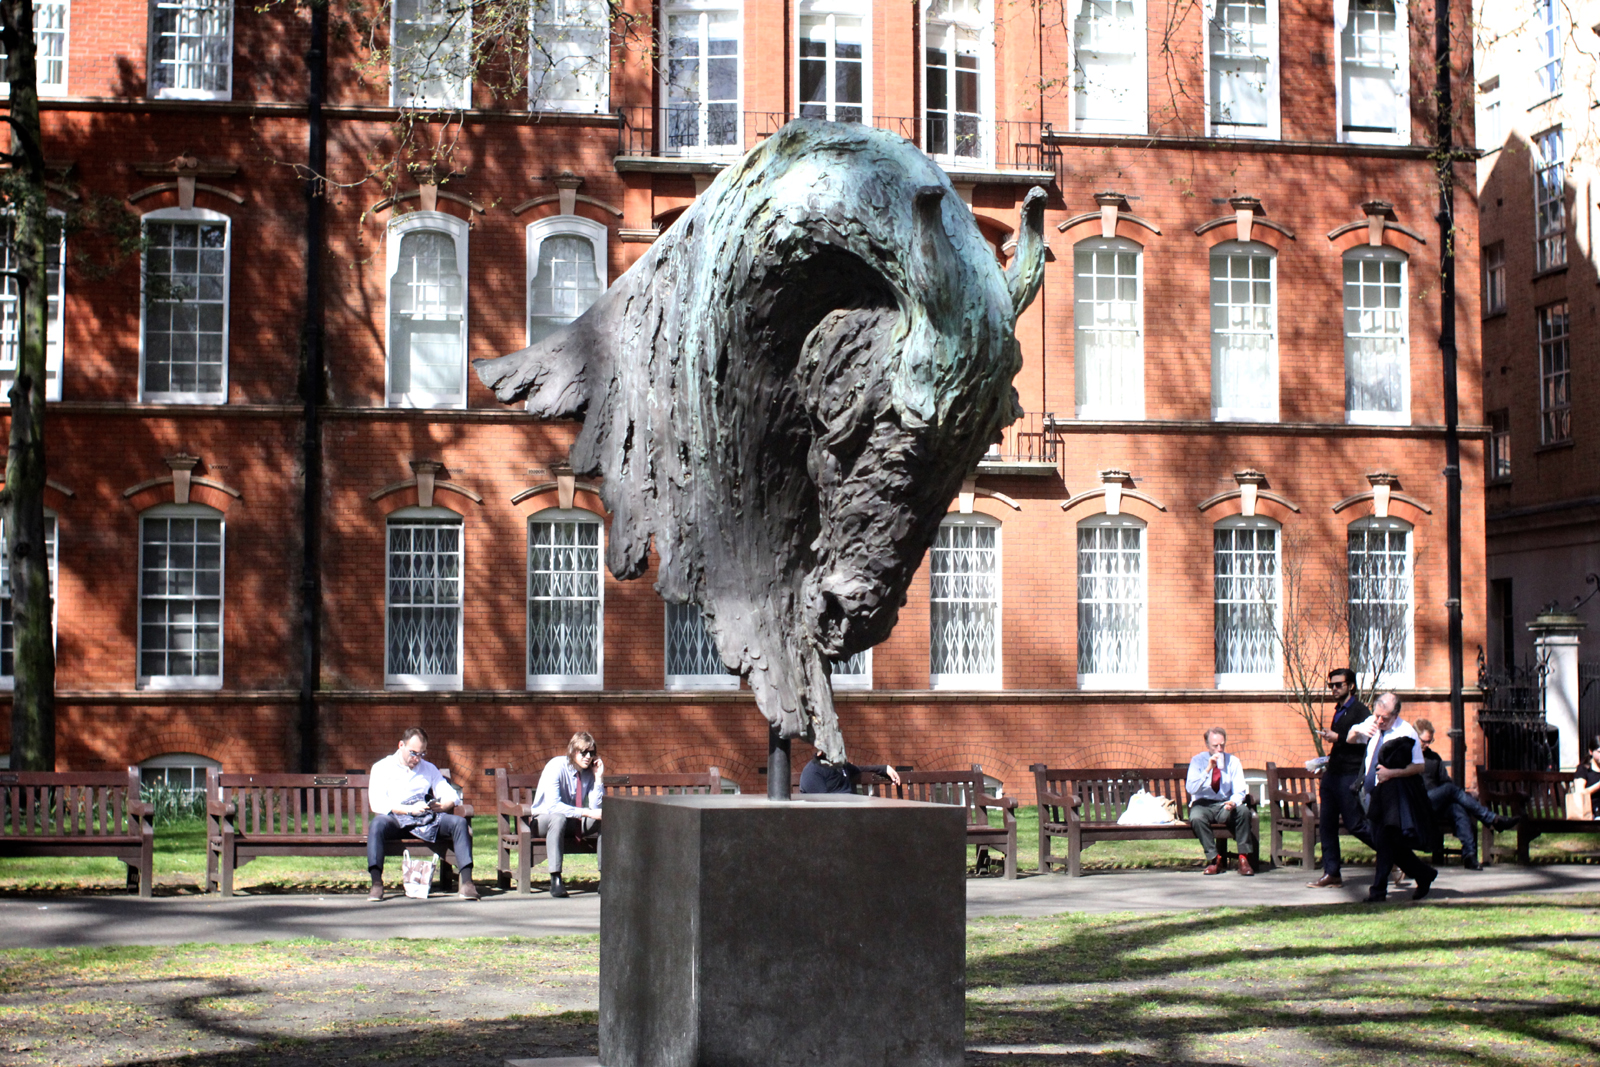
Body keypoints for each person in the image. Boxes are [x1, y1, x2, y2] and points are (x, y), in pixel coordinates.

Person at [367, 726, 477, 901]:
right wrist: (408, 809)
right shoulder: (381, 767)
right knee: (377, 824)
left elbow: (451, 794)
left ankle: (467, 883)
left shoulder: (429, 769)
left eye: (421, 754)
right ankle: (376, 884)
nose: (417, 758)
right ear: (401, 745)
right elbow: (378, 803)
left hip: (425, 821)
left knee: (459, 823)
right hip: (396, 820)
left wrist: (444, 804)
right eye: (413, 753)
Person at [1350, 693, 1438, 902]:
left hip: (1391, 796)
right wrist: (1357, 730)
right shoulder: (1371, 724)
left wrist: (1392, 773)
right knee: (1388, 844)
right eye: (1377, 715)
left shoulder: (1406, 732)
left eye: (1385, 718)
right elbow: (1350, 739)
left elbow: (1419, 766)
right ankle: (1424, 874)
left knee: (1384, 841)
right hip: (1370, 794)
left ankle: (1378, 891)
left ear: (1396, 715)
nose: (1380, 721)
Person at [1415, 717, 1517, 869]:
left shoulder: (1434, 758)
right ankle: (1491, 818)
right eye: (1424, 741)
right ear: (1415, 737)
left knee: (1458, 808)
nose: (1428, 745)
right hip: (1417, 804)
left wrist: (1458, 796)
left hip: (1436, 804)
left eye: (1430, 741)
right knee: (1451, 790)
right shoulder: (1408, 757)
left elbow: (1445, 782)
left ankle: (1470, 855)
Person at [1307, 668, 1371, 889]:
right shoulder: (1339, 710)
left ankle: (1395, 854)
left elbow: (1366, 740)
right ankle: (1331, 872)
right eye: (1330, 685)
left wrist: (1339, 737)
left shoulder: (1360, 711)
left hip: (1349, 775)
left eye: (1338, 685)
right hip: (1333, 775)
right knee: (1326, 825)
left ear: (1350, 686)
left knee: (1355, 824)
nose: (1333, 689)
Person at [529, 732, 605, 898]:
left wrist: (598, 778)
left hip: (572, 821)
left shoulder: (589, 772)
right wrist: (587, 812)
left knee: (604, 819)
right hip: (543, 821)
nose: (588, 757)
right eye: (583, 752)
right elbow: (553, 806)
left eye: (591, 753)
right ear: (573, 751)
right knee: (558, 817)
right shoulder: (556, 766)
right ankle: (555, 879)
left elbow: (596, 807)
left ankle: (606, 877)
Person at [1184, 727, 1256, 875]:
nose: (1219, 749)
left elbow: (1240, 790)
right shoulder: (1198, 761)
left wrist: (1233, 802)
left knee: (1243, 811)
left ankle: (1243, 858)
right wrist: (1208, 769)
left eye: (1222, 745)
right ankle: (1215, 859)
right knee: (1196, 818)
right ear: (1207, 745)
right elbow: (1191, 788)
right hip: (1203, 804)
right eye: (1215, 746)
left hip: (1224, 804)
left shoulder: (1233, 762)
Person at [798, 756, 903, 794]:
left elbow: (859, 769)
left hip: (851, 813)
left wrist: (884, 768)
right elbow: (821, 809)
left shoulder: (840, 764)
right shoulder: (812, 772)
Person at [1575, 734, 1600, 819]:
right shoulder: (1583, 769)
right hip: (1591, 812)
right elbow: (1579, 793)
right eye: (1599, 752)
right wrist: (1598, 786)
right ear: (1591, 752)